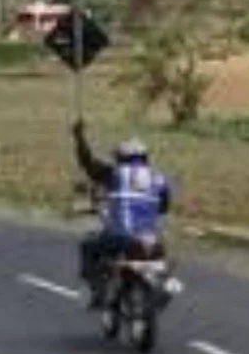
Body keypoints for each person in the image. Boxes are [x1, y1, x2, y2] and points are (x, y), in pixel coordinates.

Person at [72, 120, 173, 308]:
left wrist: (79, 137)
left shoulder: (114, 174)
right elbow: (164, 207)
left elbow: (87, 162)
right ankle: (163, 286)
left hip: (121, 236)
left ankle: (96, 290)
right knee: (162, 261)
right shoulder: (159, 178)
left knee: (88, 246)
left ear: (120, 157)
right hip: (151, 239)